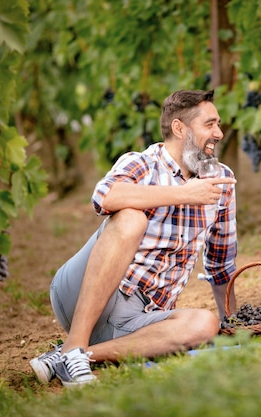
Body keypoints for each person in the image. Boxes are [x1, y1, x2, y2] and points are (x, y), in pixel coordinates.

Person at [30, 89, 238, 387]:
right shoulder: (142, 162)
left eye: (218, 124)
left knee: (206, 324)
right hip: (82, 296)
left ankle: (76, 356)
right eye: (210, 124)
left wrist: (232, 323)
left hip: (140, 320)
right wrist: (183, 194)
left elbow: (220, 262)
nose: (219, 132)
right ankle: (75, 343)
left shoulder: (221, 181)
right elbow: (103, 196)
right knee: (130, 218)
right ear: (180, 128)